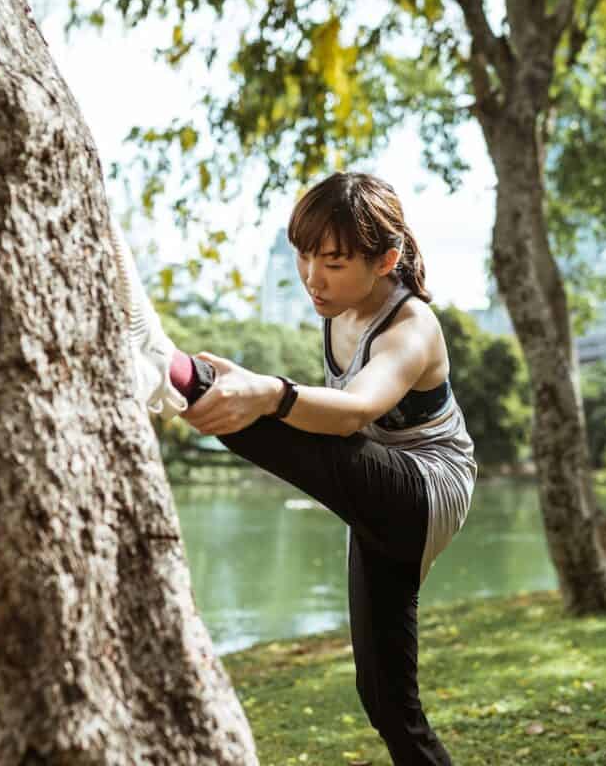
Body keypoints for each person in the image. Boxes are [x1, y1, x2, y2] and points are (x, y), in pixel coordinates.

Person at [120, 171, 476, 766]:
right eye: (305, 256)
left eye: (334, 262)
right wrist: (263, 394)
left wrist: (268, 393)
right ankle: (178, 375)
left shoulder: (410, 326)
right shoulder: (337, 309)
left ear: (387, 259)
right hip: (381, 494)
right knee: (387, 703)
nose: (313, 277)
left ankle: (173, 370)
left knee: (265, 416)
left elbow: (356, 410)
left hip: (426, 490)